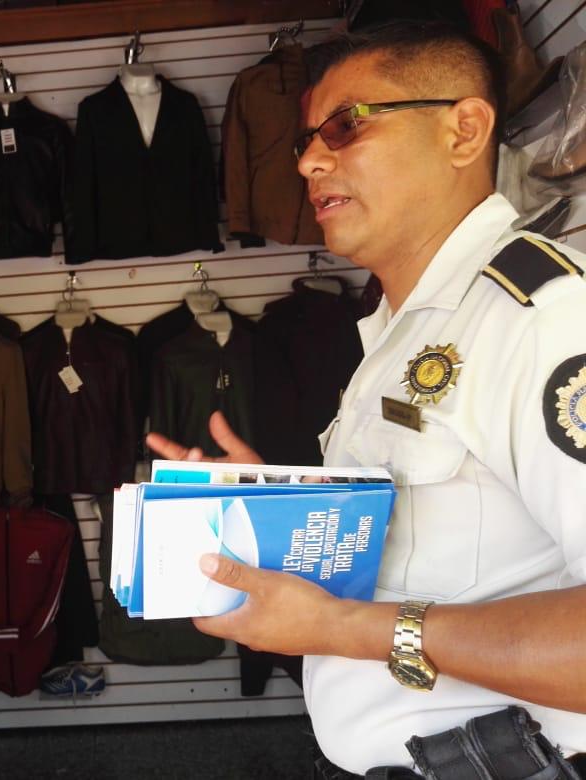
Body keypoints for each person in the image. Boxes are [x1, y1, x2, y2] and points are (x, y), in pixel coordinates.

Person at [148, 23, 586, 778]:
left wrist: (342, 628)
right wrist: (279, 512)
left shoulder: (542, 318)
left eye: (347, 126)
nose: (309, 161)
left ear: (463, 130)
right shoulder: (401, 327)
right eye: (306, 140)